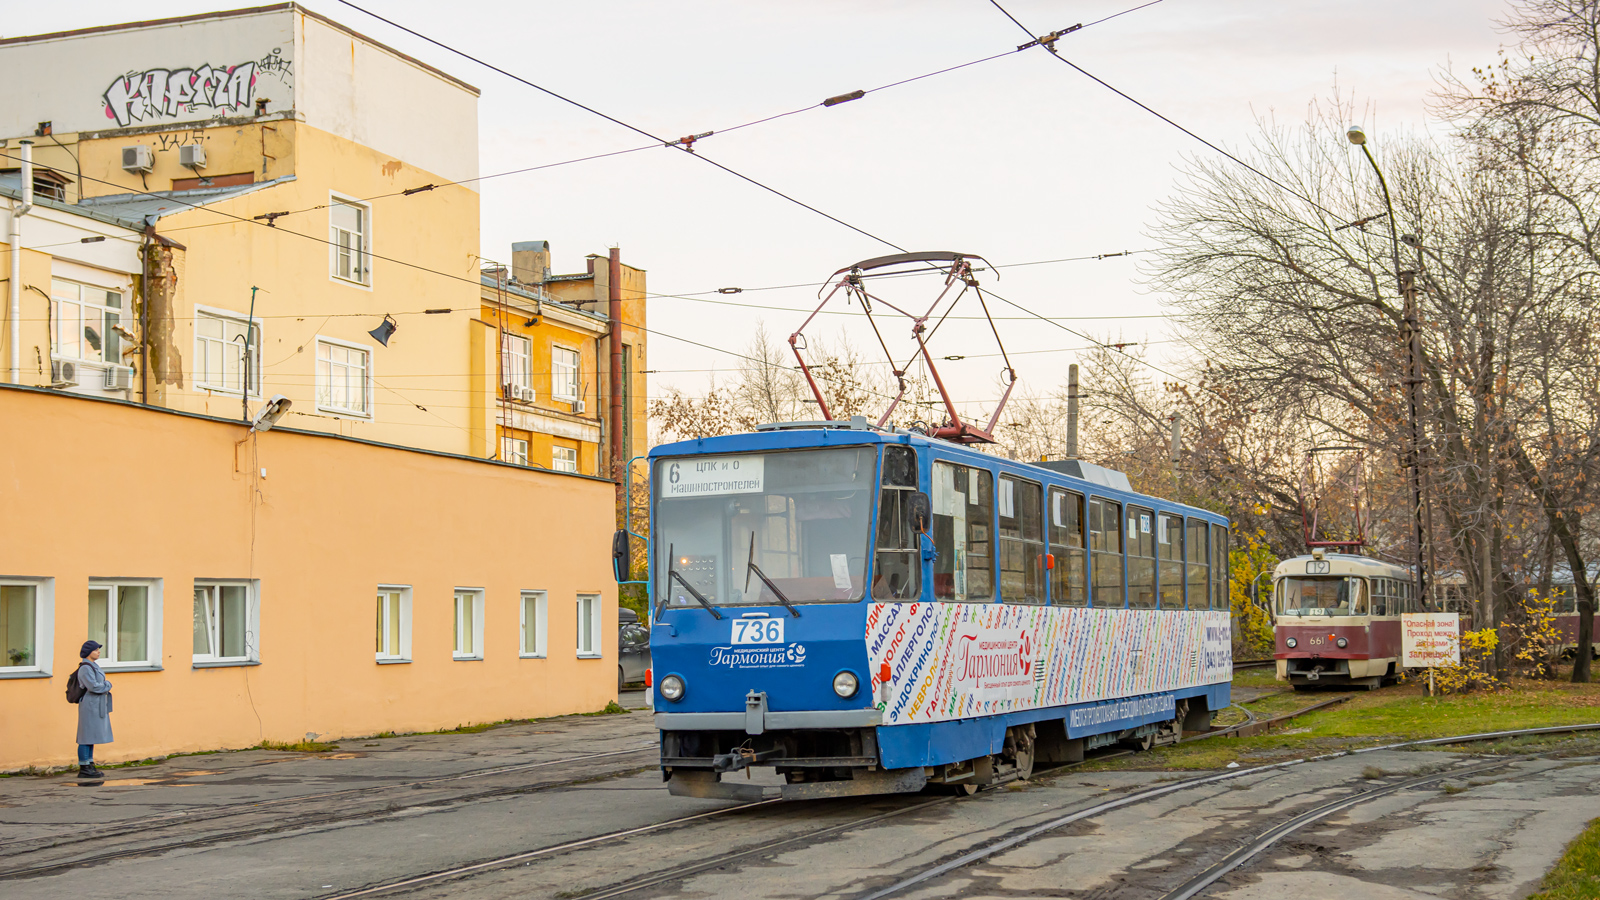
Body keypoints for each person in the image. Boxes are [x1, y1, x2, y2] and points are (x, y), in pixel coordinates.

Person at [75, 640, 113, 779]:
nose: (99, 652)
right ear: (88, 652)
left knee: (91, 736)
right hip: (89, 705)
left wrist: (103, 685)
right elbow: (94, 686)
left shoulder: (93, 665)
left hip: (95, 704)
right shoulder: (85, 667)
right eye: (96, 650)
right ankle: (84, 767)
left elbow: (97, 684)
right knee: (85, 736)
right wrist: (108, 685)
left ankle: (90, 764)